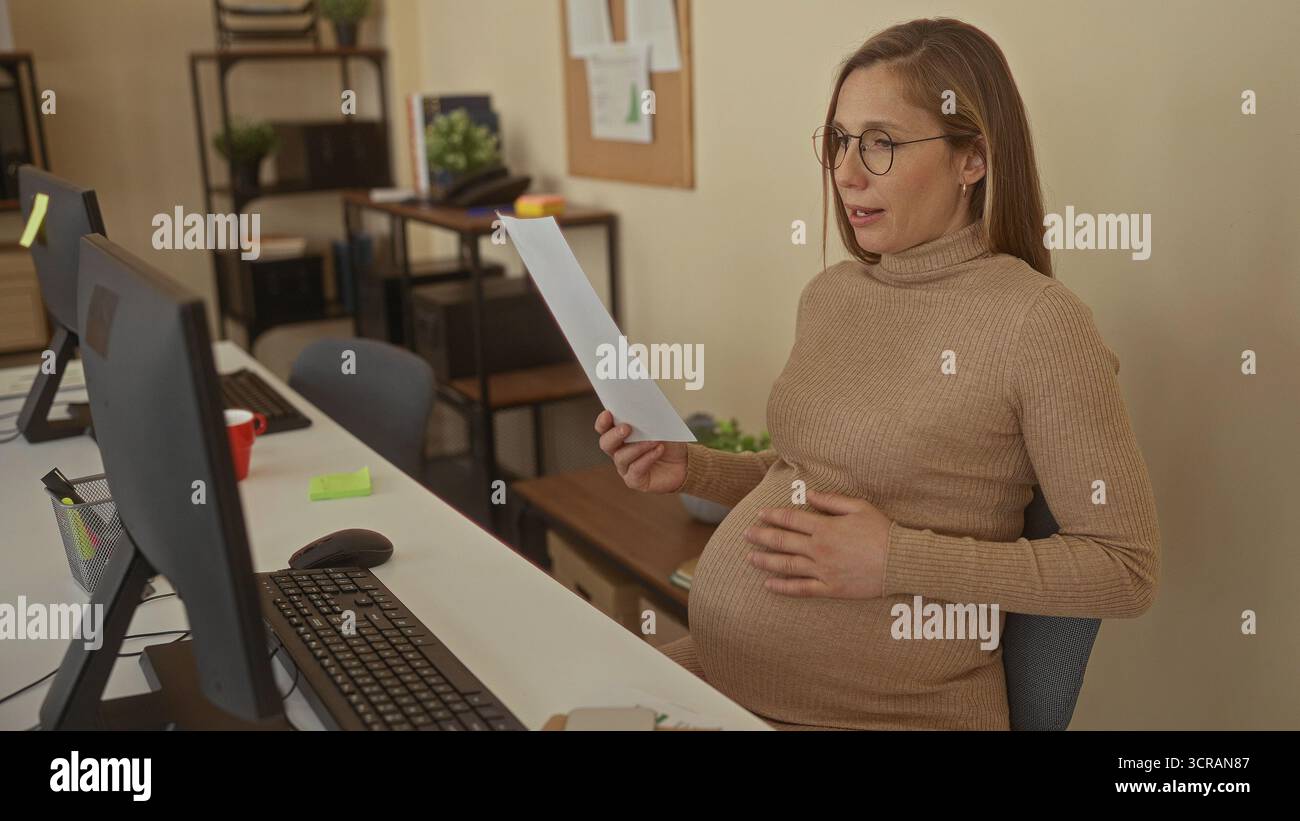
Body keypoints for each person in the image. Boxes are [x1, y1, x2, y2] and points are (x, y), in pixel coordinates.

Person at [594, 17, 1160, 730]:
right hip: (722, 677)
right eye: (839, 142)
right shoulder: (832, 295)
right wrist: (692, 468)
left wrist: (897, 561)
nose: (847, 172)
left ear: (973, 158)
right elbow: (809, 470)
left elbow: (1126, 568)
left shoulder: (1039, 322)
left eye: (881, 144)